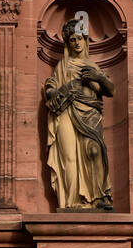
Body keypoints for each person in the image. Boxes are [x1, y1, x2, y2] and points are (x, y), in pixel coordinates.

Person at [44, 17, 114, 210]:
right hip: (67, 111)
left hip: (90, 114)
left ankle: (99, 198)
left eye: (79, 38)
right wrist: (53, 91)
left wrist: (97, 77)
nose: (76, 43)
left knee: (94, 151)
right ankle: (72, 201)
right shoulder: (62, 66)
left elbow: (111, 90)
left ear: (85, 40)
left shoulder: (93, 67)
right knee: (69, 157)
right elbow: (52, 89)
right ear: (68, 43)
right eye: (72, 39)